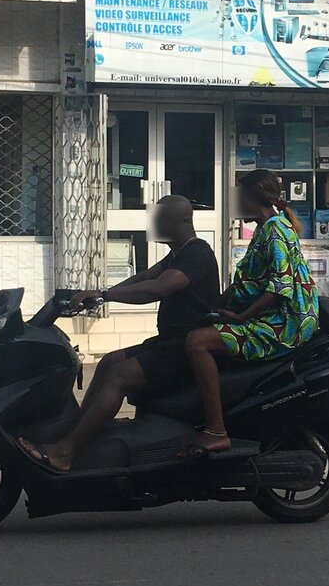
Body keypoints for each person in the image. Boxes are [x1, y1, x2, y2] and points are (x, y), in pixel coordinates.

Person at [19, 195, 220, 471]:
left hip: (184, 348)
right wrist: (98, 295)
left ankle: (65, 453)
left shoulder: (197, 253)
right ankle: (83, 435)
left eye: (163, 218)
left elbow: (159, 288)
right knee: (109, 362)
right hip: (168, 342)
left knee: (119, 376)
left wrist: (105, 295)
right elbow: (145, 277)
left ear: (184, 220)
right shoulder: (178, 254)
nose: (156, 223)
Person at [180, 169, 319, 457]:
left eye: (240, 196)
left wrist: (242, 318)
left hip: (284, 324)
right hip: (271, 317)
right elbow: (251, 280)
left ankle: (216, 430)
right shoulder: (265, 227)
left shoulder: (275, 230)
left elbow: (280, 285)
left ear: (254, 197)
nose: (236, 203)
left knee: (197, 342)